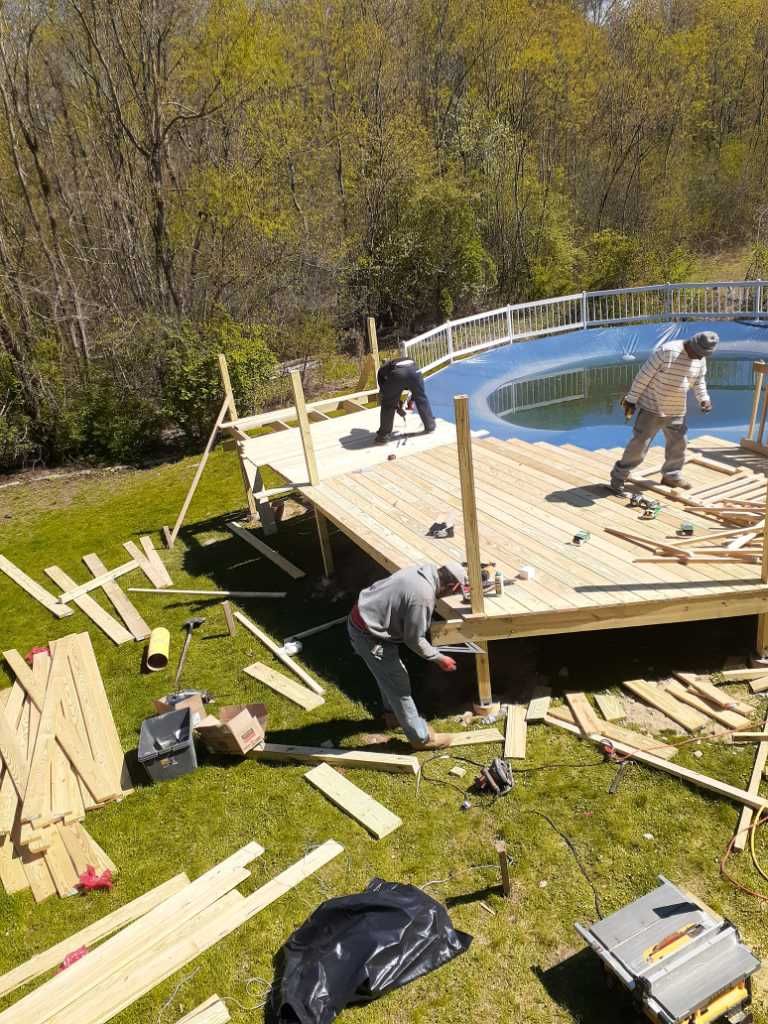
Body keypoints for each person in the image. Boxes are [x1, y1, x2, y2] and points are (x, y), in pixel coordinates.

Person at [347, 562, 464, 749]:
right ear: (452, 586)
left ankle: (392, 717)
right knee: (398, 685)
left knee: (387, 675)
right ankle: (421, 739)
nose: (452, 596)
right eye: (455, 593)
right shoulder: (423, 597)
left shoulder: (420, 572)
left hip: (365, 621)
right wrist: (438, 657)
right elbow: (414, 639)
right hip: (370, 636)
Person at [610, 331, 718, 495]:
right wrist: (631, 400)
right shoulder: (667, 351)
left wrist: (704, 399)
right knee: (639, 446)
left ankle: (671, 476)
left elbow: (699, 381)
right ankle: (619, 476)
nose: (700, 358)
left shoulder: (700, 359)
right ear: (692, 345)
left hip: (677, 409)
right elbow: (643, 377)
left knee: (679, 444)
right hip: (652, 407)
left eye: (704, 355)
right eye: (699, 354)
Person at [375, 357, 436, 443]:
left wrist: (393, 403)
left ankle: (383, 435)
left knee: (388, 404)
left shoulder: (382, 370)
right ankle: (430, 425)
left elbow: (386, 393)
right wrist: (411, 400)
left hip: (398, 374)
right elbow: (416, 390)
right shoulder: (408, 359)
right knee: (421, 398)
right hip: (414, 371)